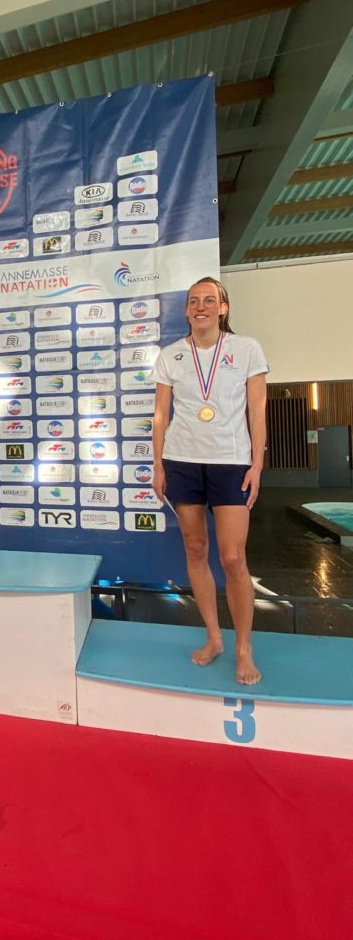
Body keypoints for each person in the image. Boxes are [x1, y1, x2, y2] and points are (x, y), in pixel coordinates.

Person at [149, 277, 268, 685]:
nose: (200, 306)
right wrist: (158, 465)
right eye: (193, 301)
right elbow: (160, 415)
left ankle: (244, 648)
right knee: (195, 548)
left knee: (233, 558)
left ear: (223, 308)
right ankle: (215, 637)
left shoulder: (247, 349)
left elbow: (257, 410)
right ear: (186, 310)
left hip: (231, 462)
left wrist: (257, 464)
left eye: (209, 300)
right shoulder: (171, 355)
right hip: (182, 461)